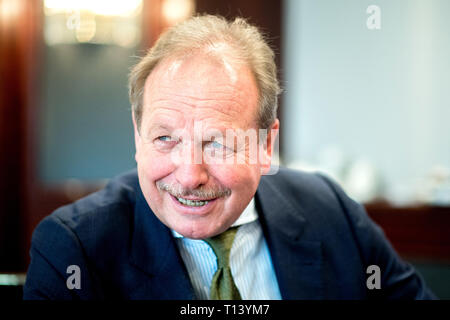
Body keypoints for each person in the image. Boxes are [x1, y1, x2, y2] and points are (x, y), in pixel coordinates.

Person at [23, 14, 435, 300]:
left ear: (266, 147)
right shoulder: (74, 249)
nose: (188, 176)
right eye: (165, 138)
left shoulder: (331, 211)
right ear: (138, 134)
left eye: (217, 143)